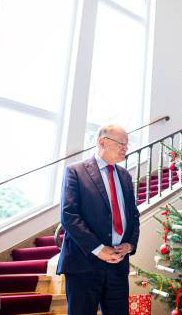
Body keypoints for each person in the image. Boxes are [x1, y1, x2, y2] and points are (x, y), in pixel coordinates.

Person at [57, 125, 140, 315]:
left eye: (127, 144)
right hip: (84, 265)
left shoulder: (125, 176)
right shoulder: (76, 171)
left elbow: (133, 215)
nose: (125, 148)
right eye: (121, 144)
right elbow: (69, 215)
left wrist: (130, 245)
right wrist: (99, 249)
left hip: (118, 264)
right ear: (102, 142)